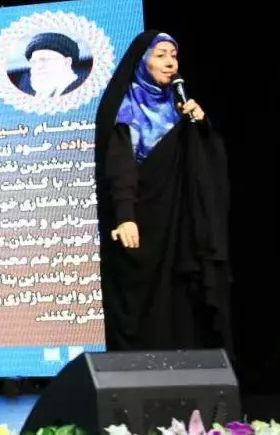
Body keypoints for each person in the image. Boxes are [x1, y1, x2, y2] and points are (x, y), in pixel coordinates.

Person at [94, 30, 232, 353]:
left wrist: (202, 126)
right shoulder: (126, 107)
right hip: (143, 224)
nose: (171, 63)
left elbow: (203, 164)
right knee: (144, 311)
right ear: (142, 63)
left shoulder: (180, 107)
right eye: (161, 55)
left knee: (184, 305)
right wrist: (125, 216)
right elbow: (120, 167)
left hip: (180, 227)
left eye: (174, 55)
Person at [11, 32, 89, 98]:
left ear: (67, 62)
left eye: (44, 60)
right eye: (33, 62)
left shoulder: (84, 87)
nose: (38, 66)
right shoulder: (28, 89)